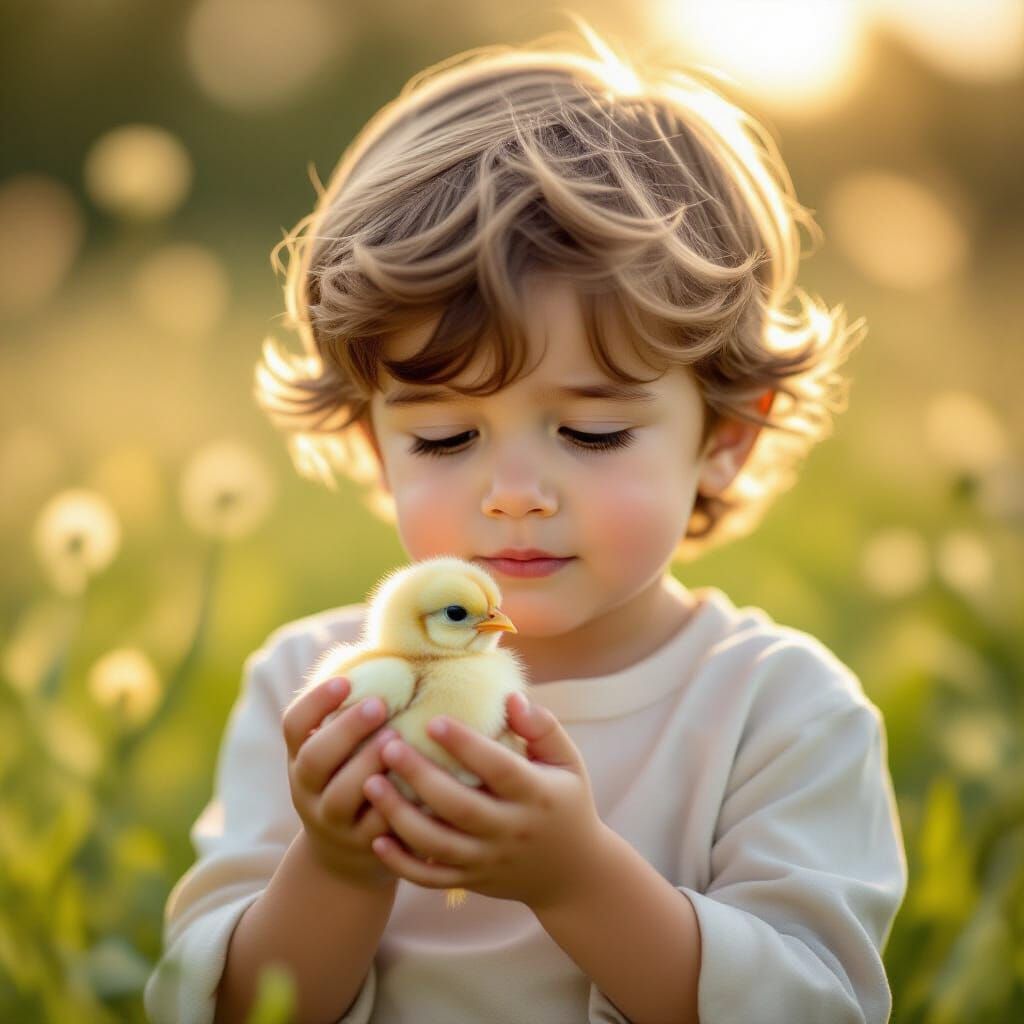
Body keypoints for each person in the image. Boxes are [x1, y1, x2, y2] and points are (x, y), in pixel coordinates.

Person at [144, 18, 907, 1024]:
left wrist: (577, 878)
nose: (512, 492)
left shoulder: (776, 711)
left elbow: (815, 1007)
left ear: (725, 433)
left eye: (589, 432)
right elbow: (228, 1009)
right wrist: (335, 864)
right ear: (374, 443)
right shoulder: (319, 695)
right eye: (444, 440)